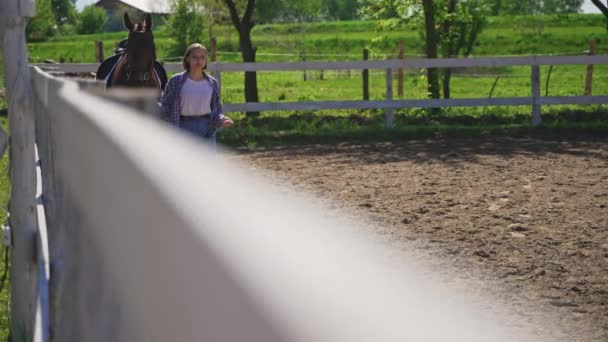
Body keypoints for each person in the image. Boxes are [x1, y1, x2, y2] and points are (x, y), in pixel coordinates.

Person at [159, 43, 233, 148]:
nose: (199, 60)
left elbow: (216, 109)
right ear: (187, 59)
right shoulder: (175, 81)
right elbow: (165, 106)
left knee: (207, 163)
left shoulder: (212, 83)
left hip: (207, 128)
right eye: (195, 57)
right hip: (183, 127)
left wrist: (223, 119)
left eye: (202, 57)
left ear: (206, 60)